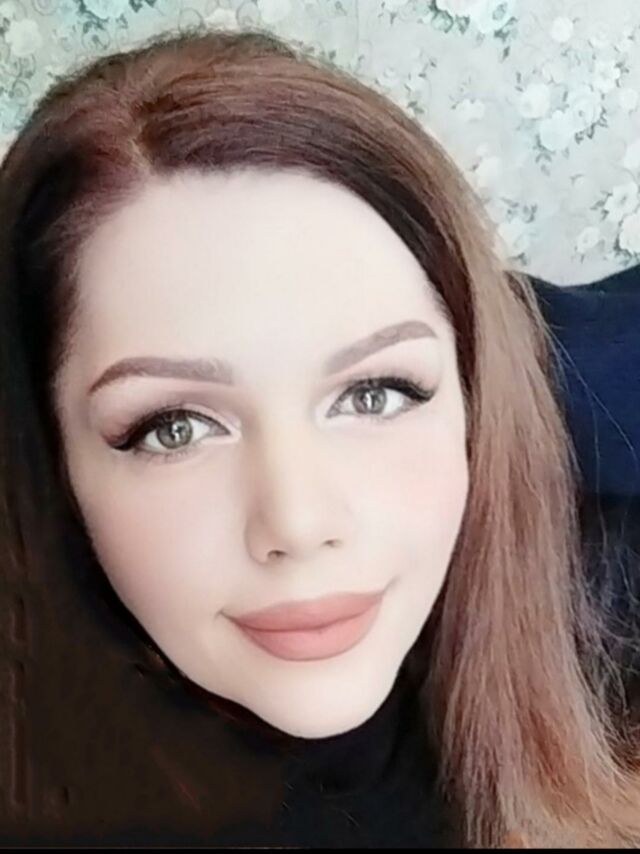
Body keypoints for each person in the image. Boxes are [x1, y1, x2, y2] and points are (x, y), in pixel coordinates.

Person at [1, 25, 639, 849]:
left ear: (476, 391)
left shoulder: (592, 579)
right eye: (175, 428)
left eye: (374, 394)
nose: (299, 524)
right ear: (48, 458)